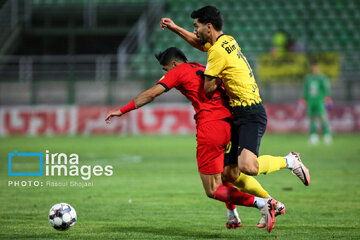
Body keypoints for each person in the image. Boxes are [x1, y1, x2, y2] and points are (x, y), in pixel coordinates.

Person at [105, 47, 285, 232]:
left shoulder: (179, 70)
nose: (166, 74)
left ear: (174, 64)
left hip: (211, 128)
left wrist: (122, 110)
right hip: (230, 124)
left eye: (166, 70)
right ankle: (233, 213)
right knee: (226, 173)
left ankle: (263, 203)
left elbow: (152, 93)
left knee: (212, 190)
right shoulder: (202, 67)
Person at [160, 6, 311, 186]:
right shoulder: (227, 40)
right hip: (237, 111)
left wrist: (193, 77)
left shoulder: (217, 52)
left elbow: (208, 88)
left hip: (250, 112)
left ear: (208, 27)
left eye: (196, 26)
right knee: (229, 173)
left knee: (248, 166)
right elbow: (199, 43)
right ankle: (265, 206)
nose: (195, 30)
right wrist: (174, 27)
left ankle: (290, 161)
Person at [299, 60, 332, 145]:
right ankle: (313, 136)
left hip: (319, 100)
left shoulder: (322, 78)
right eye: (313, 67)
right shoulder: (308, 78)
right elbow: (305, 90)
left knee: (322, 117)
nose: (314, 68)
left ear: (318, 67)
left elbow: (326, 89)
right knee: (312, 118)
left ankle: (326, 135)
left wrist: (327, 98)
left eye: (315, 67)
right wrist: (303, 99)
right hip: (311, 101)